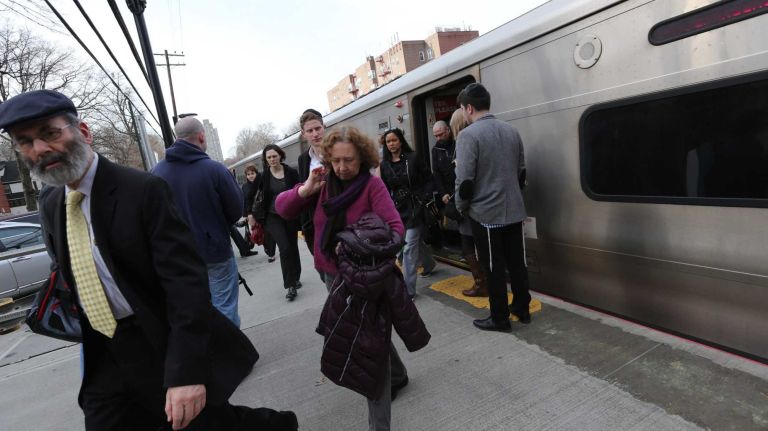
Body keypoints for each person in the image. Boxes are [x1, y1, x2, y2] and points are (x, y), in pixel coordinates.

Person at [0, 89, 297, 430]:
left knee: (209, 424)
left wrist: (186, 371)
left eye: (50, 134)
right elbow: (68, 270)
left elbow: (186, 285)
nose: (39, 149)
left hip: (160, 341)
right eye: (25, 142)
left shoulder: (142, 191)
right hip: (105, 354)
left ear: (82, 132)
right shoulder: (52, 204)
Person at [276, 126, 428, 431]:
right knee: (370, 332)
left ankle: (379, 425)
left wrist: (361, 240)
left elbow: (395, 228)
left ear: (363, 158)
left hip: (366, 278)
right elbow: (283, 208)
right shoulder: (321, 184)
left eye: (350, 161)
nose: (343, 167)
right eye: (337, 161)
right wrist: (305, 189)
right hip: (332, 274)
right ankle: (398, 374)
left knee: (370, 345)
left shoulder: (372, 186)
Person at [153, 117, 244, 327]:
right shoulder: (214, 169)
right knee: (224, 306)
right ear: (202, 136)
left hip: (177, 256)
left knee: (195, 309)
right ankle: (229, 355)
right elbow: (235, 209)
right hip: (214, 250)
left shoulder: (157, 173)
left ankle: (208, 355)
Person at [454, 83, 531, 331]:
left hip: (485, 214)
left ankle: (499, 318)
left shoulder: (468, 135)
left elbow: (465, 180)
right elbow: (521, 172)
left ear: (468, 108)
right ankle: (522, 308)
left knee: (493, 267)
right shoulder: (511, 131)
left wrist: (461, 206)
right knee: (517, 263)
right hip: (515, 210)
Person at [379, 128, 436, 299]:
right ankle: (429, 263)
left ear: (401, 141)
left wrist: (425, 196)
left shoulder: (413, 158)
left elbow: (428, 179)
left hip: (415, 208)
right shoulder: (384, 165)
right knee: (414, 242)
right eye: (388, 142)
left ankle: (408, 290)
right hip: (397, 210)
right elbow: (383, 190)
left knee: (409, 245)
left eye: (394, 140)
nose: (391, 144)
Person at [449, 109, 488, 297]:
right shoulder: (482, 136)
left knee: (469, 245)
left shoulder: (464, 140)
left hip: (471, 206)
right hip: (485, 204)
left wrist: (459, 206)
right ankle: (485, 282)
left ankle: (481, 284)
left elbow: (463, 180)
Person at [260, 144, 302, 300]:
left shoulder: (291, 172)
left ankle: (296, 276)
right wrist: (250, 214)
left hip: (290, 215)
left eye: (274, 156)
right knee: (284, 248)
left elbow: (299, 192)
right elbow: (255, 195)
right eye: (269, 157)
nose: (272, 159)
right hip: (272, 217)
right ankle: (290, 286)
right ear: (266, 160)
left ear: (280, 156)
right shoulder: (264, 176)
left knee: (292, 247)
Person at [296, 108, 325, 258]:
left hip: (340, 218)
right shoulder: (303, 160)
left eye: (318, 128)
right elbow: (304, 190)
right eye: (310, 131)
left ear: (323, 127)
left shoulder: (338, 150)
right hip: (314, 221)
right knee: (322, 269)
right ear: (303, 133)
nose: (315, 134)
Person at [242, 164, 276, 261]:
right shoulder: (245, 187)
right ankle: (267, 248)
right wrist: (246, 215)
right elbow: (245, 201)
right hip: (253, 214)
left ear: (256, 173)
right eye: (248, 174)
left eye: (252, 173)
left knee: (268, 232)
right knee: (260, 233)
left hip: (266, 212)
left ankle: (271, 253)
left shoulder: (263, 183)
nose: (250, 176)